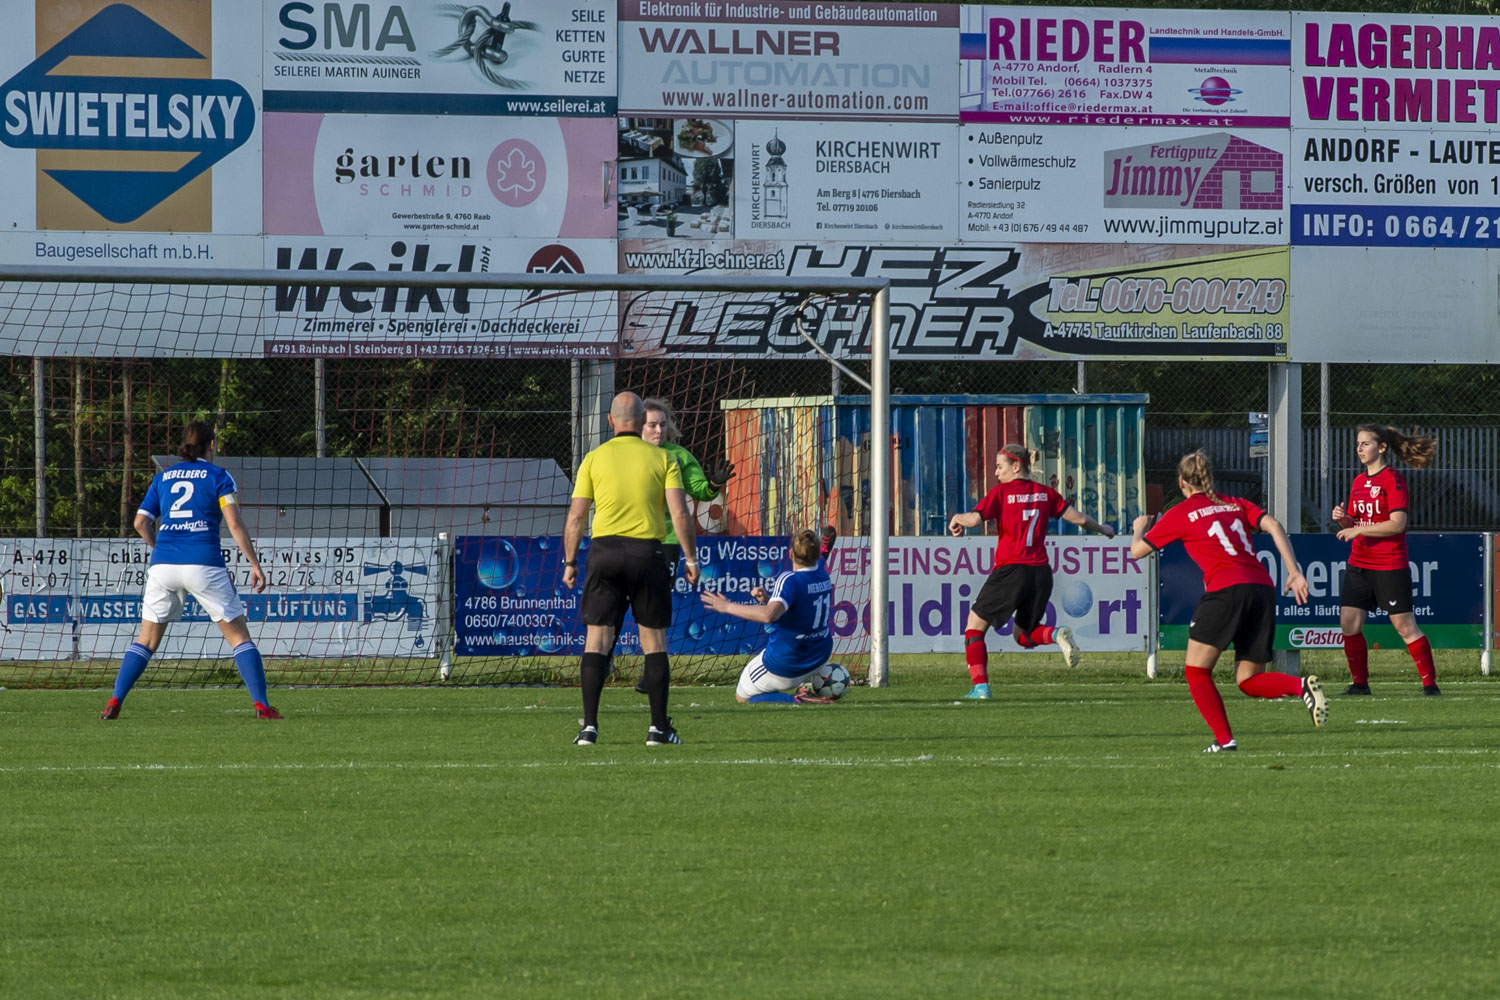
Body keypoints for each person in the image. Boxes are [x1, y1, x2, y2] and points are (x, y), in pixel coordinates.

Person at [1130, 451, 1324, 753]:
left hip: (1226, 590)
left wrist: (1139, 529)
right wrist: (1294, 571)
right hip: (1261, 588)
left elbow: (1138, 552)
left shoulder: (1180, 513)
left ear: (1181, 482)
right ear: (1210, 477)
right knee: (1248, 680)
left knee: (1196, 671)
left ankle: (1224, 740)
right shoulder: (1234, 504)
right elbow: (1273, 524)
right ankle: (1300, 686)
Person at [100, 421, 276, 720]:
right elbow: (234, 523)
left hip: (163, 566)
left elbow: (140, 523)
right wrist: (254, 563)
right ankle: (262, 706)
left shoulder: (163, 477)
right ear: (211, 445)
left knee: (146, 641)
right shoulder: (219, 476)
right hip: (203, 562)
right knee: (239, 638)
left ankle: (114, 700)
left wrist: (161, 548)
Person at [563, 392, 699, 746]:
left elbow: (576, 517)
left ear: (610, 420)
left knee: (597, 639)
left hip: (603, 553)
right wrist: (690, 558)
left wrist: (570, 562)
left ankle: (589, 728)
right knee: (653, 642)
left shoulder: (593, 458)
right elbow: (680, 513)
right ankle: (658, 729)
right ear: (641, 422)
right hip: (646, 554)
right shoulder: (663, 458)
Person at [947, 444, 1116, 700]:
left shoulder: (1001, 493)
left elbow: (974, 520)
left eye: (999, 466)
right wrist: (1103, 529)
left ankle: (981, 687)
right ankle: (1056, 633)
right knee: (1024, 635)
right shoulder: (1046, 493)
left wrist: (957, 518)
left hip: (1011, 570)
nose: (996, 472)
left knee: (974, 627)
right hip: (1041, 574)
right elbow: (1080, 519)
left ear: (1016, 467)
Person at [628, 397, 734, 694]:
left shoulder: (678, 456)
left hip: (666, 542)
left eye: (663, 425)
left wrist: (713, 485)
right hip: (628, 539)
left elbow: (699, 490)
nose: (658, 430)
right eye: (652, 425)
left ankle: (653, 671)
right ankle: (605, 659)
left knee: (653, 605)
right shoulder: (626, 454)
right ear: (638, 427)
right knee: (621, 605)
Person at [1331, 424, 1441, 696]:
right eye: (1358, 444)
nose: (1359, 449)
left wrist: (1359, 530)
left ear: (1381, 448)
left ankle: (1430, 685)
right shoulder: (1359, 482)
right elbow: (1356, 521)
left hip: (1388, 564)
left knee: (1405, 627)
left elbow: (1397, 524)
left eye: (1365, 444)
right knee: (1349, 623)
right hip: (1359, 562)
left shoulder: (1392, 480)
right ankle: (1360, 684)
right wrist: (1344, 520)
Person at [701, 529, 834, 704]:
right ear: (816, 555)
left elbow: (769, 616)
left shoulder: (789, 579)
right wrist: (768, 599)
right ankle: (804, 687)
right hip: (820, 656)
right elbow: (797, 610)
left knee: (743, 696)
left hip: (788, 663)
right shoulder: (822, 571)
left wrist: (727, 606)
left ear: (790, 553)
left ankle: (798, 700)